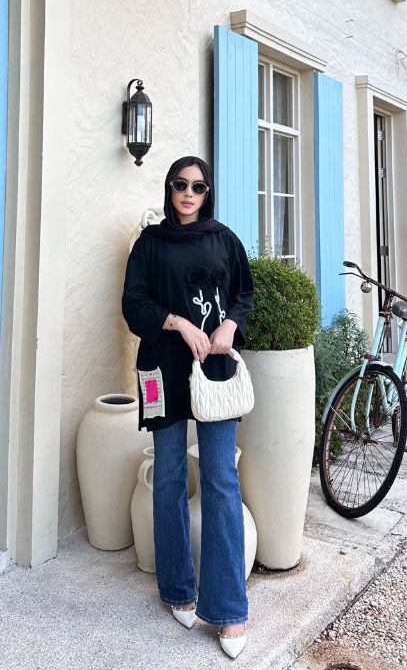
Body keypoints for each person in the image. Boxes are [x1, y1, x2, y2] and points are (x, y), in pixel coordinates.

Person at [121, 156, 254, 659]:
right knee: (171, 474)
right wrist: (178, 323)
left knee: (221, 477)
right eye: (180, 184)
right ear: (169, 188)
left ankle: (229, 608)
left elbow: (244, 293)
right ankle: (178, 589)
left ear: (208, 192)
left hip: (214, 368)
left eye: (198, 186)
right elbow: (134, 304)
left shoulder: (224, 240)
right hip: (162, 367)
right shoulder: (150, 244)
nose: (189, 193)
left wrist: (230, 325)